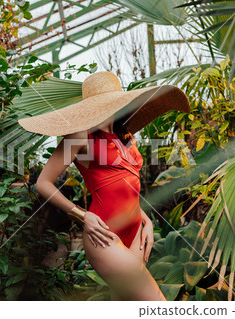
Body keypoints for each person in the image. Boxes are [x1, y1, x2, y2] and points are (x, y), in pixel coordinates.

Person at [17, 71, 190, 300]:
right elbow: (43, 183)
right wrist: (82, 215)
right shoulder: (79, 136)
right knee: (156, 302)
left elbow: (127, 186)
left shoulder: (125, 135)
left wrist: (145, 219)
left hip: (136, 230)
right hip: (104, 234)